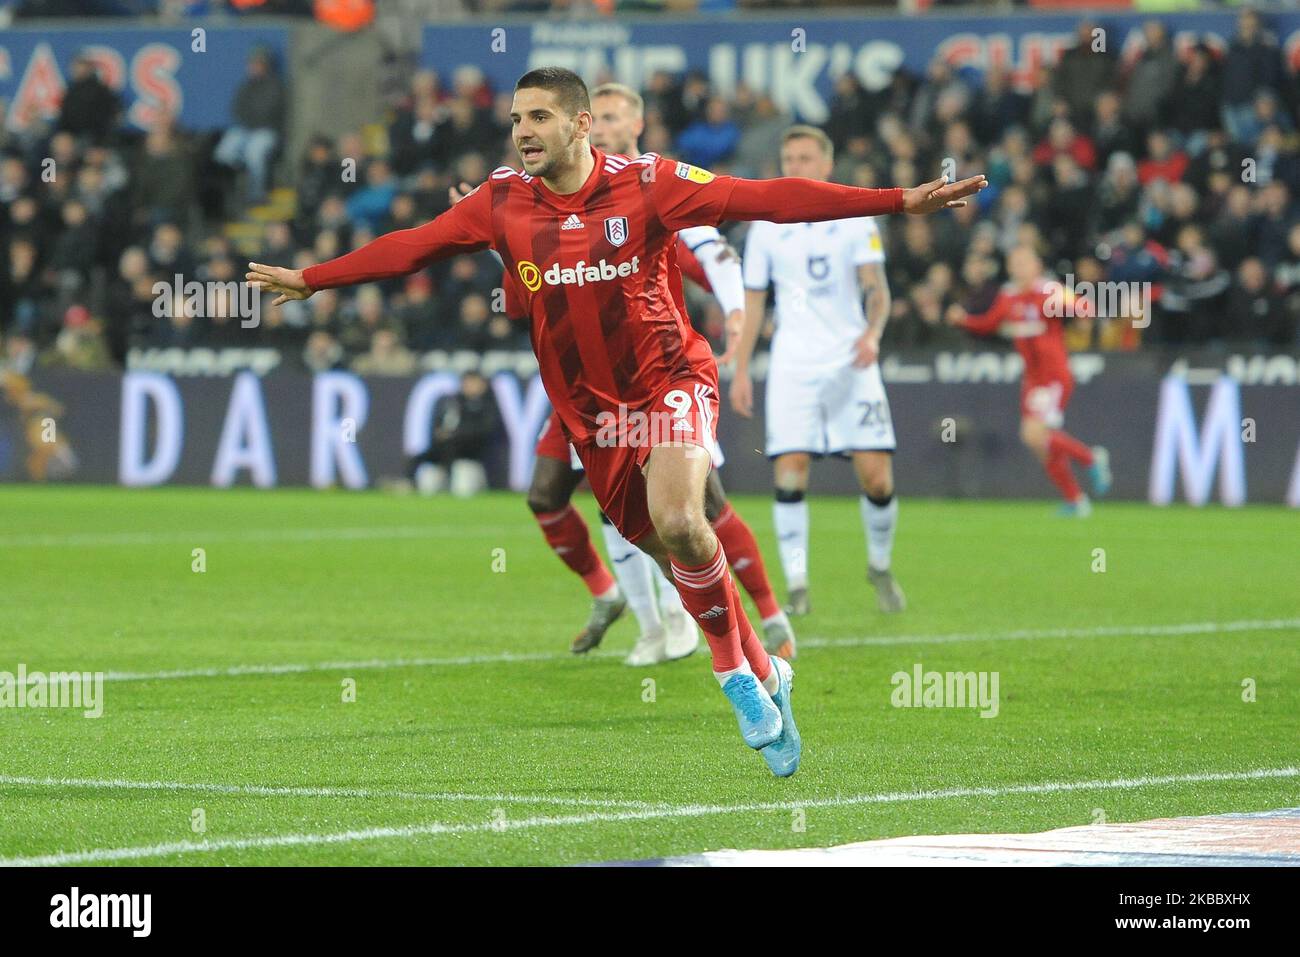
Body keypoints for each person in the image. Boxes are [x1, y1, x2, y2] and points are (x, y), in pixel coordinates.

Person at [248, 66, 986, 777]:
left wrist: (895, 200)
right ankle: (768, 669)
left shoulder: (649, 184)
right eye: (514, 119)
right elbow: (412, 247)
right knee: (670, 553)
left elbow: (767, 197)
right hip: (591, 419)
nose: (522, 132)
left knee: (682, 517)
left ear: (578, 124)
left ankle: (732, 670)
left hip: (671, 381)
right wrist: (314, 278)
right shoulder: (500, 202)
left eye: (538, 117)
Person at [732, 125, 905, 620]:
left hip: (852, 358)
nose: (796, 166)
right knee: (790, 469)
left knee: (875, 476)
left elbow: (876, 288)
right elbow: (753, 302)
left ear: (827, 166)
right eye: (790, 157)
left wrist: (872, 334)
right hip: (793, 363)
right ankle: (799, 583)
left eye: (807, 157)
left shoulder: (855, 218)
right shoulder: (764, 225)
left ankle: (879, 564)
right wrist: (742, 369)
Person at [946, 245, 1111, 516]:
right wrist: (964, 320)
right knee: (1039, 444)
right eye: (1014, 262)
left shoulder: (1049, 290)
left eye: (1024, 262)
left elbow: (1084, 306)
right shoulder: (1009, 296)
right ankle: (1076, 501)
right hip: (1033, 380)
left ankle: (1090, 458)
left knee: (1033, 434)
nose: (1019, 267)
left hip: (1054, 376)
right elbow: (989, 323)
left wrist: (1077, 310)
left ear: (1037, 266)